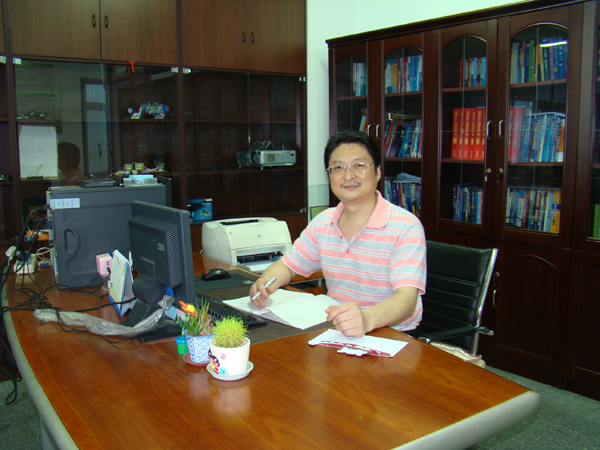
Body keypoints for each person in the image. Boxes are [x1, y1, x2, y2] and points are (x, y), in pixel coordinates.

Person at [250, 130, 427, 337]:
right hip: (338, 330)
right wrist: (266, 282)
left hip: (393, 335)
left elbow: (406, 300)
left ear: (378, 172)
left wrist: (366, 319)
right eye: (338, 167)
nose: (348, 176)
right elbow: (287, 266)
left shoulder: (405, 226)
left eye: (359, 165)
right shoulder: (323, 222)